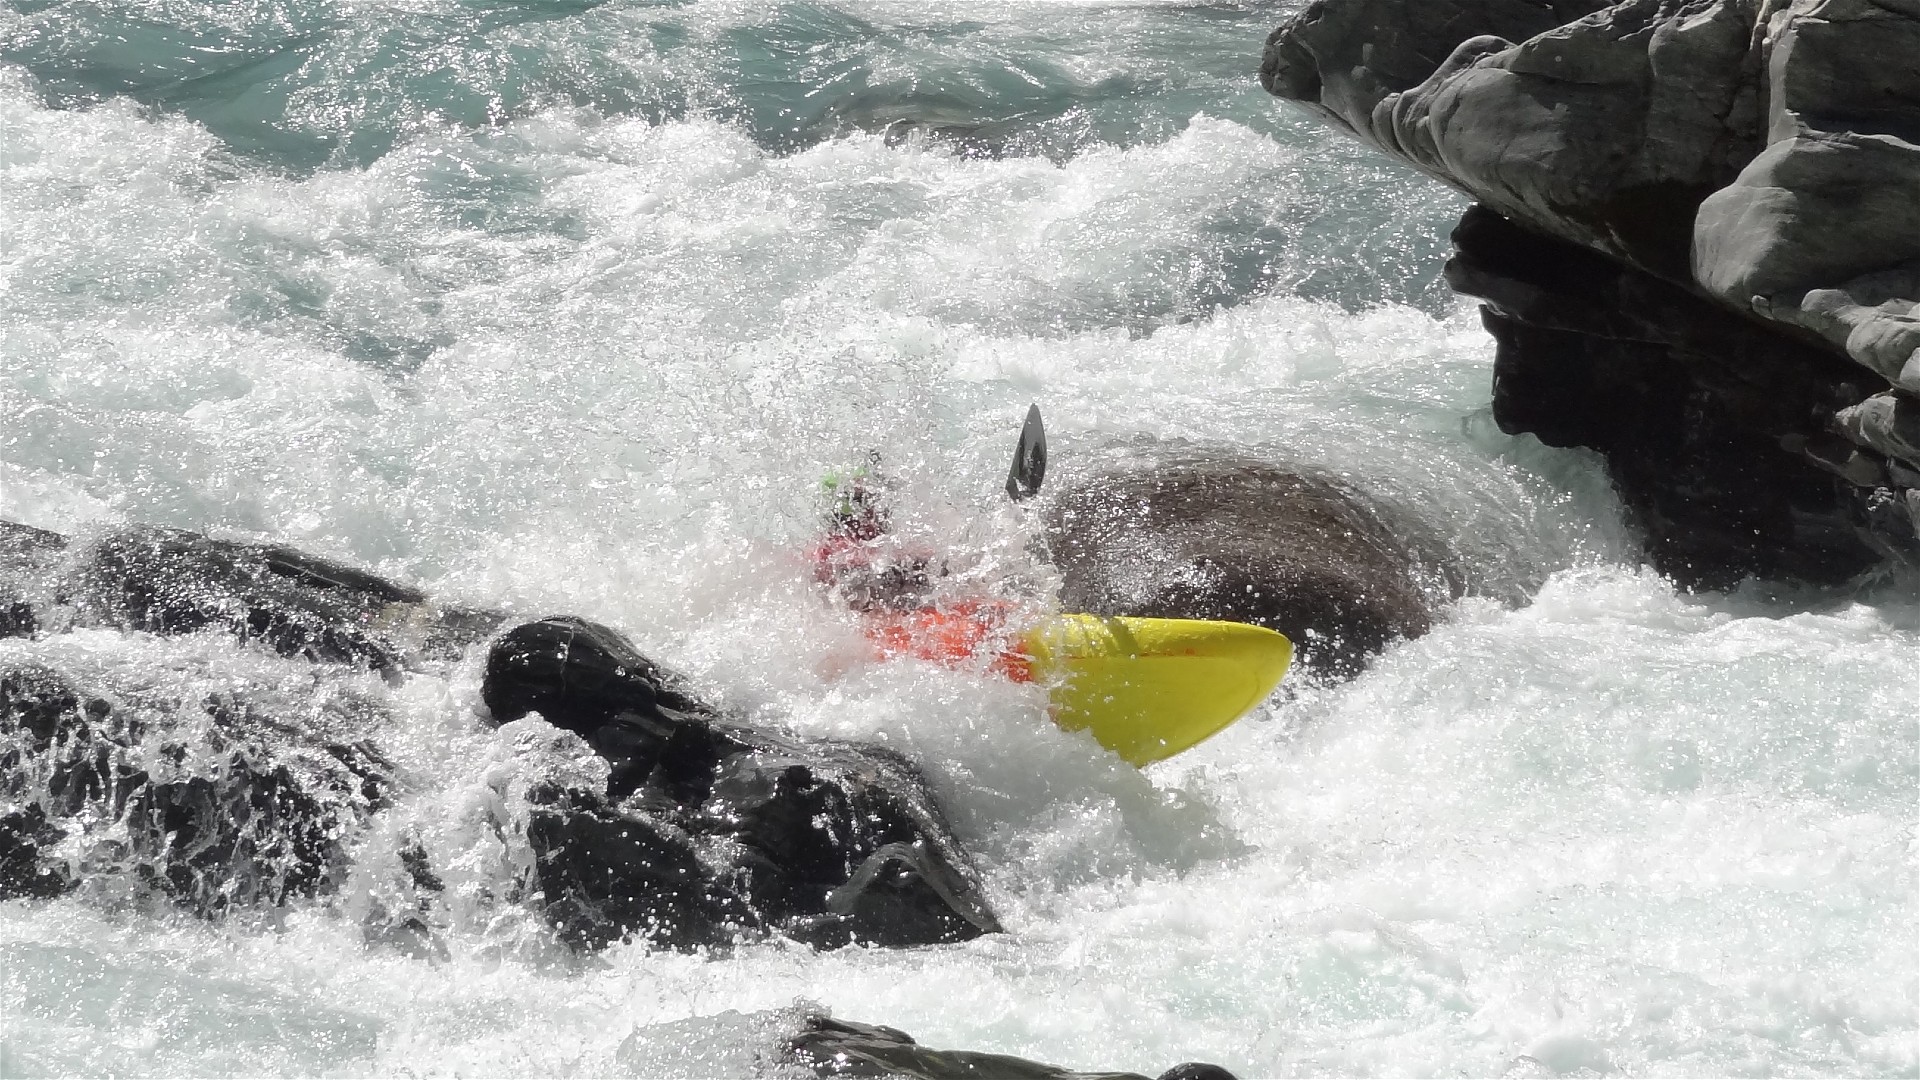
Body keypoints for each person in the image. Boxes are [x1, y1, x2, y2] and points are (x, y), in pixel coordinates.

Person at [809, 459, 1032, 681]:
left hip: (885, 636)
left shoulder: (826, 553)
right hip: (884, 641)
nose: (881, 510)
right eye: (871, 501)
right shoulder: (841, 552)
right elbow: (900, 563)